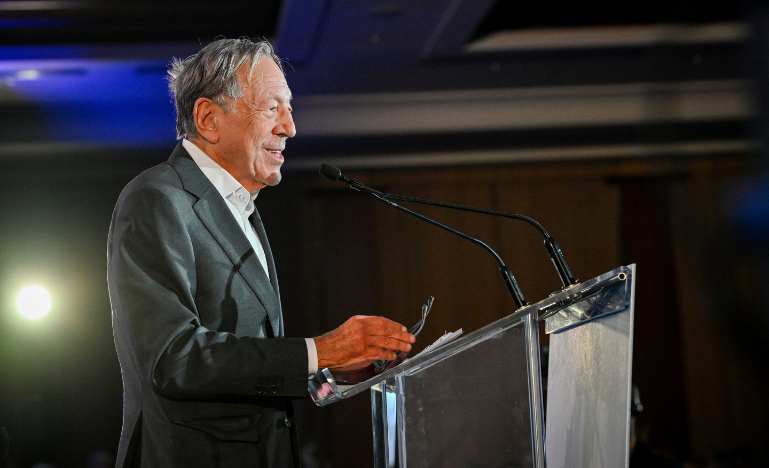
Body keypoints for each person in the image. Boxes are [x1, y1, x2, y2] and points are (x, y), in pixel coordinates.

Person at [107, 38, 415, 468]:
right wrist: (319, 351)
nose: (290, 127)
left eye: (288, 109)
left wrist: (327, 373)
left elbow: (247, 369)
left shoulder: (242, 210)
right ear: (209, 119)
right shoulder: (157, 198)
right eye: (272, 108)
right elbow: (172, 358)